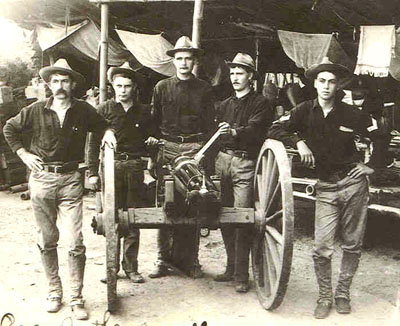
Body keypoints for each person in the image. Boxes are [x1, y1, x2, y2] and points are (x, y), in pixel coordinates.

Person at [3, 58, 116, 320]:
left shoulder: (83, 110)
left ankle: (76, 297)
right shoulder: (34, 110)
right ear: (49, 84)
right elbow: (10, 128)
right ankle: (55, 292)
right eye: (55, 81)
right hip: (42, 180)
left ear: (73, 84)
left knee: (75, 241)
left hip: (70, 181)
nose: (60, 85)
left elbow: (102, 125)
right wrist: (23, 154)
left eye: (65, 80)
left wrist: (108, 133)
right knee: (47, 239)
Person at [268, 57, 379, 319]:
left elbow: (381, 135)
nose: (327, 86)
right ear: (315, 84)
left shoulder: (352, 113)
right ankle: (325, 296)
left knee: (352, 244)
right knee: (322, 247)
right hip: (326, 188)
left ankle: (342, 294)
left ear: (338, 85)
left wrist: (371, 165)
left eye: (331, 81)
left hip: (353, 185)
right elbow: (274, 129)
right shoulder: (304, 111)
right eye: (322, 81)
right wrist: (299, 141)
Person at [148, 36, 215, 279]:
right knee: (166, 204)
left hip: (196, 149)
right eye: (179, 59)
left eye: (188, 58)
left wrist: (204, 154)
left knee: (194, 203)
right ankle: (162, 260)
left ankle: (191, 261)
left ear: (194, 61)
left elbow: (210, 125)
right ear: (174, 61)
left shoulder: (205, 89)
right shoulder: (161, 87)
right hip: (168, 149)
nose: (184, 62)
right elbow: (153, 123)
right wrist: (154, 153)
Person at [88, 62, 157, 284]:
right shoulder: (103, 110)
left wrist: (152, 145)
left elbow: (151, 142)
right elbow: (91, 145)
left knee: (132, 219)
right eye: (119, 86)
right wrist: (92, 173)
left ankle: (131, 267)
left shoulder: (145, 112)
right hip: (110, 167)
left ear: (134, 88)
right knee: (111, 218)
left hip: (135, 167)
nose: (123, 90)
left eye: (127, 86)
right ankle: (111, 267)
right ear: (112, 86)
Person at [213, 53, 272, 292]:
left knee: (241, 218)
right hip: (223, 161)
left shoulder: (261, 103)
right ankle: (230, 268)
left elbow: (256, 130)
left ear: (250, 77)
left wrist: (234, 132)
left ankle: (241, 275)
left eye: (240, 73)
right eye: (233, 73)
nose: (235, 77)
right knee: (223, 216)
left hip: (245, 164)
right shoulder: (225, 104)